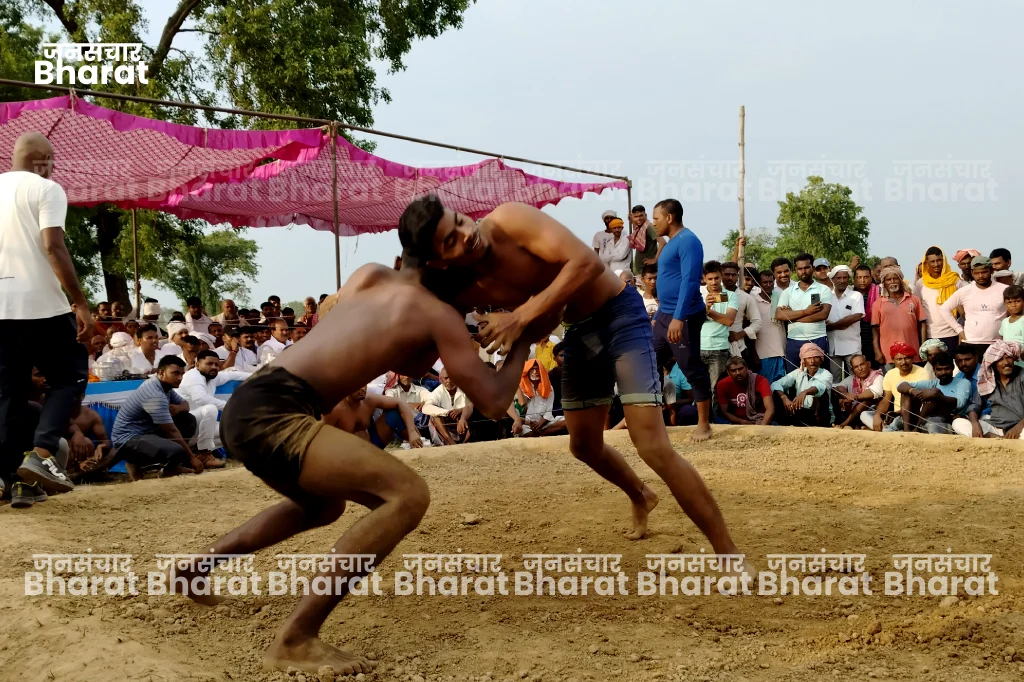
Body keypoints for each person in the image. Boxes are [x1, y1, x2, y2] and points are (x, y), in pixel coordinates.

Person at [173, 262, 534, 675]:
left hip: (256, 404)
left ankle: (194, 566)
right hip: (274, 409)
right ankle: (296, 637)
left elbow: (400, 351)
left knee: (322, 507)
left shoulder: (374, 281)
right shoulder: (429, 308)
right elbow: (492, 402)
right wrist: (522, 336)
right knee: (407, 495)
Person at [399, 195, 741, 559]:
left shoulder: (508, 221)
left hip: (619, 312)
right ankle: (641, 494)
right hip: (577, 329)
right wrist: (515, 339)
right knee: (583, 445)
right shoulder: (464, 290)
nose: (466, 234)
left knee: (653, 446)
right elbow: (421, 345)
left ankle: (730, 555)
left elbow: (587, 263)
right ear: (438, 261)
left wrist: (520, 318)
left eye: (459, 221)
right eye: (451, 240)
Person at [0, 132, 93, 500]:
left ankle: (13, 481)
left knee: (8, 394)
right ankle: (40, 454)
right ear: (43, 160)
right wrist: (80, 301)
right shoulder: (46, 188)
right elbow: (53, 246)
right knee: (69, 378)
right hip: (41, 306)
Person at [649, 199, 715, 441]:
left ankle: (704, 424)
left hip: (684, 314)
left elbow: (689, 281)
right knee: (649, 359)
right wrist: (660, 314)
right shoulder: (669, 244)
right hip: (665, 313)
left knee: (690, 367)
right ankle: (655, 419)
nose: (653, 223)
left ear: (669, 218)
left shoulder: (689, 241)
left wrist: (678, 318)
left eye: (656, 218)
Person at [106, 355, 207, 479]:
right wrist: (192, 457)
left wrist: (178, 408)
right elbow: (171, 431)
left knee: (188, 419)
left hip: (146, 432)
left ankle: (169, 468)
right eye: (175, 373)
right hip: (128, 439)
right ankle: (137, 463)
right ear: (161, 373)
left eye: (182, 374)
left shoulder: (165, 387)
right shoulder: (154, 394)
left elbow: (186, 405)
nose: (180, 378)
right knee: (176, 450)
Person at [177, 350, 249, 468]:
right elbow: (201, 399)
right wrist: (231, 407)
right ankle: (203, 454)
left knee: (237, 431)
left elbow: (231, 375)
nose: (214, 367)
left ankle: (195, 452)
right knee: (210, 409)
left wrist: (260, 375)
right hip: (185, 426)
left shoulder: (211, 377)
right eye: (209, 364)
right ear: (197, 365)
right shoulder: (193, 377)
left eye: (216, 364)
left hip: (200, 426)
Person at [938, 255, 1008, 360]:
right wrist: (959, 330)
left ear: (991, 271)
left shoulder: (1004, 289)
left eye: (984, 272)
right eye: (976, 273)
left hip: (997, 344)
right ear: (972, 273)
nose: (980, 276)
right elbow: (944, 309)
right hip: (970, 343)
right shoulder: (965, 291)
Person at [951, 341, 1024, 438]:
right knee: (958, 423)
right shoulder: (987, 380)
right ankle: (999, 439)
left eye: (1009, 357)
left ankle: (994, 439)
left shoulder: (1022, 375)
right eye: (1000, 359)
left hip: (1021, 427)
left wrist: (1019, 427)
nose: (1006, 362)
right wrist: (975, 424)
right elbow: (974, 407)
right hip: (996, 426)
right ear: (993, 364)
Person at [776, 253, 833, 371]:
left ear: (812, 267)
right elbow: (779, 315)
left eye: (806, 267)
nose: (803, 271)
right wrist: (807, 311)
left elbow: (823, 315)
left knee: (820, 378)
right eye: (800, 269)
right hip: (794, 340)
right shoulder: (788, 292)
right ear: (795, 270)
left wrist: (792, 316)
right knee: (794, 378)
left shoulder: (823, 289)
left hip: (818, 338)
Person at [324, 385, 423, 450]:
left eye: (364, 384)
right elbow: (321, 436)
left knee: (395, 414)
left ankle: (418, 446)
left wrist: (412, 432)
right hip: (347, 453)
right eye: (357, 385)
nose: (362, 389)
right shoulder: (335, 409)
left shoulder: (369, 399)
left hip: (371, 444)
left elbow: (400, 402)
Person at [895, 351, 972, 434]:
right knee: (906, 393)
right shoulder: (933, 383)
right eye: (939, 369)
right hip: (927, 416)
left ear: (953, 368)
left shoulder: (963, 382)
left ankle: (916, 429)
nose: (943, 373)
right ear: (934, 370)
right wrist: (913, 391)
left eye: (947, 369)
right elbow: (900, 385)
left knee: (933, 394)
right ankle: (907, 431)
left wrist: (938, 395)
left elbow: (960, 403)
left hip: (949, 417)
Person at [872, 265, 926, 370]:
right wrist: (877, 351)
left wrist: (922, 348)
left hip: (912, 353)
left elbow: (922, 324)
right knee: (891, 384)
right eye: (888, 279)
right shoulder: (878, 303)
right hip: (888, 355)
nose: (892, 282)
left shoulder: (914, 300)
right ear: (884, 283)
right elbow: (874, 329)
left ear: (900, 280)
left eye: (895, 278)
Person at [868, 342, 932, 431]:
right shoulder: (890, 374)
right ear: (893, 360)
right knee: (865, 415)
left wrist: (897, 413)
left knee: (894, 423)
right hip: (895, 416)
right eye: (899, 359)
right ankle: (886, 428)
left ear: (912, 358)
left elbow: (922, 403)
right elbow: (886, 400)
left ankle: (888, 430)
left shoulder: (923, 373)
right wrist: (877, 415)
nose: (903, 362)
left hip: (913, 416)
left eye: (907, 358)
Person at [699, 261, 738, 402]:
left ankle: (716, 421)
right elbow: (690, 320)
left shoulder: (731, 295)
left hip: (719, 349)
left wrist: (709, 312)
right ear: (704, 279)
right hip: (699, 347)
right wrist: (704, 309)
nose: (714, 282)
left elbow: (729, 321)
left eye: (716, 278)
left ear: (721, 276)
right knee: (699, 388)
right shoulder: (697, 293)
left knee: (716, 389)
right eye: (710, 279)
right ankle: (702, 420)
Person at [770, 343, 833, 427]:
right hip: (801, 412)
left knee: (821, 394)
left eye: (816, 357)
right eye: (809, 358)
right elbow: (775, 384)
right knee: (778, 394)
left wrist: (805, 392)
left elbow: (819, 387)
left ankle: (817, 424)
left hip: (820, 414)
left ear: (821, 359)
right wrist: (784, 398)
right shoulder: (798, 373)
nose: (812, 361)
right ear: (804, 360)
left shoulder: (826, 374)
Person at [914, 247, 963, 352]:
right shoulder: (921, 283)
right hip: (930, 334)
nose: (936, 264)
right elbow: (919, 309)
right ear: (927, 263)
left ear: (944, 260)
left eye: (939, 260)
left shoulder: (954, 280)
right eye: (932, 261)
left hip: (952, 333)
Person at [824, 264, 864, 379]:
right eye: (838, 278)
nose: (842, 281)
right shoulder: (826, 296)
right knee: (834, 381)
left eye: (845, 278)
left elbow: (856, 316)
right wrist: (841, 325)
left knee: (857, 379)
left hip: (852, 347)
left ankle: (857, 398)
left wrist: (832, 326)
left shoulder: (856, 295)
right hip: (833, 347)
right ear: (832, 279)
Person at [512, 359, 566, 437]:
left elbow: (548, 411)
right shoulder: (521, 388)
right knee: (524, 431)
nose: (535, 372)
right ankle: (540, 435)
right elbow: (519, 411)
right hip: (526, 424)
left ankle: (541, 434)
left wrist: (541, 423)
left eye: (537, 369)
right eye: (532, 369)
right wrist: (530, 423)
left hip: (544, 424)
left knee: (567, 421)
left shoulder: (548, 388)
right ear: (527, 371)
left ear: (541, 371)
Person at [716, 356, 774, 426]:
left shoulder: (761, 381)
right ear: (728, 372)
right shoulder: (722, 384)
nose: (738, 373)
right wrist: (741, 422)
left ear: (746, 368)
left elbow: (770, 409)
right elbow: (724, 411)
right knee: (718, 420)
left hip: (758, 419)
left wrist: (761, 428)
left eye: (740, 369)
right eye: (733, 370)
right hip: (736, 420)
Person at [720, 261, 761, 359]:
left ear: (738, 277)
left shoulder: (745, 297)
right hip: (715, 346)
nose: (730, 278)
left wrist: (740, 334)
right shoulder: (712, 294)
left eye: (733, 275)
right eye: (727, 274)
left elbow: (757, 322)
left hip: (738, 346)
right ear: (721, 275)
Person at [422, 368, 473, 445]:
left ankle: (465, 442)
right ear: (441, 379)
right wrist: (447, 412)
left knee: (474, 412)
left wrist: (462, 416)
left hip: (463, 425)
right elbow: (426, 407)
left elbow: (470, 405)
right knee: (435, 415)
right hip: (446, 429)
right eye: (446, 378)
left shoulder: (465, 389)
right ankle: (451, 443)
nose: (449, 381)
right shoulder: (437, 392)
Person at [832, 354, 883, 429]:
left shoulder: (878, 376)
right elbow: (839, 387)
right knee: (836, 395)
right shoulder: (852, 378)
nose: (860, 369)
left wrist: (855, 397)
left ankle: (844, 424)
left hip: (872, 413)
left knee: (866, 400)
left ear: (868, 364)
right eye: (856, 367)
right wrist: (846, 396)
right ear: (853, 370)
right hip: (853, 413)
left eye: (862, 364)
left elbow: (875, 392)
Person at [753, 270, 787, 383]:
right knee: (766, 387)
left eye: (771, 282)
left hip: (782, 350)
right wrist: (754, 354)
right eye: (765, 282)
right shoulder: (753, 301)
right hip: (763, 353)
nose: (768, 285)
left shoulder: (781, 299)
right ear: (758, 283)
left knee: (782, 387)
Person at [628, 204, 663, 272]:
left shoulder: (649, 227)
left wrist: (655, 259)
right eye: (636, 216)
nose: (639, 218)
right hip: (640, 268)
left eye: (641, 215)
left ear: (645, 215)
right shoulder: (639, 227)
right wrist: (632, 221)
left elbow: (663, 242)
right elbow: (635, 229)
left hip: (649, 269)